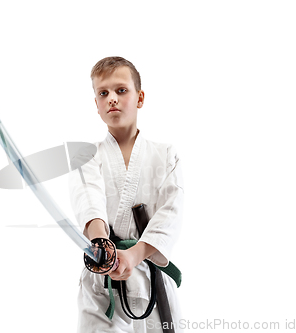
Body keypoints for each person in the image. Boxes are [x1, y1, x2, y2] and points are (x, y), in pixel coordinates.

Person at [69, 56, 184, 333]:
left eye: (121, 90)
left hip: (150, 275)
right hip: (103, 278)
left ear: (139, 97)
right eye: (103, 93)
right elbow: (89, 200)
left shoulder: (165, 155)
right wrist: (102, 246)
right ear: (96, 104)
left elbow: (170, 213)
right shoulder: (86, 156)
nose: (112, 99)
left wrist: (134, 255)